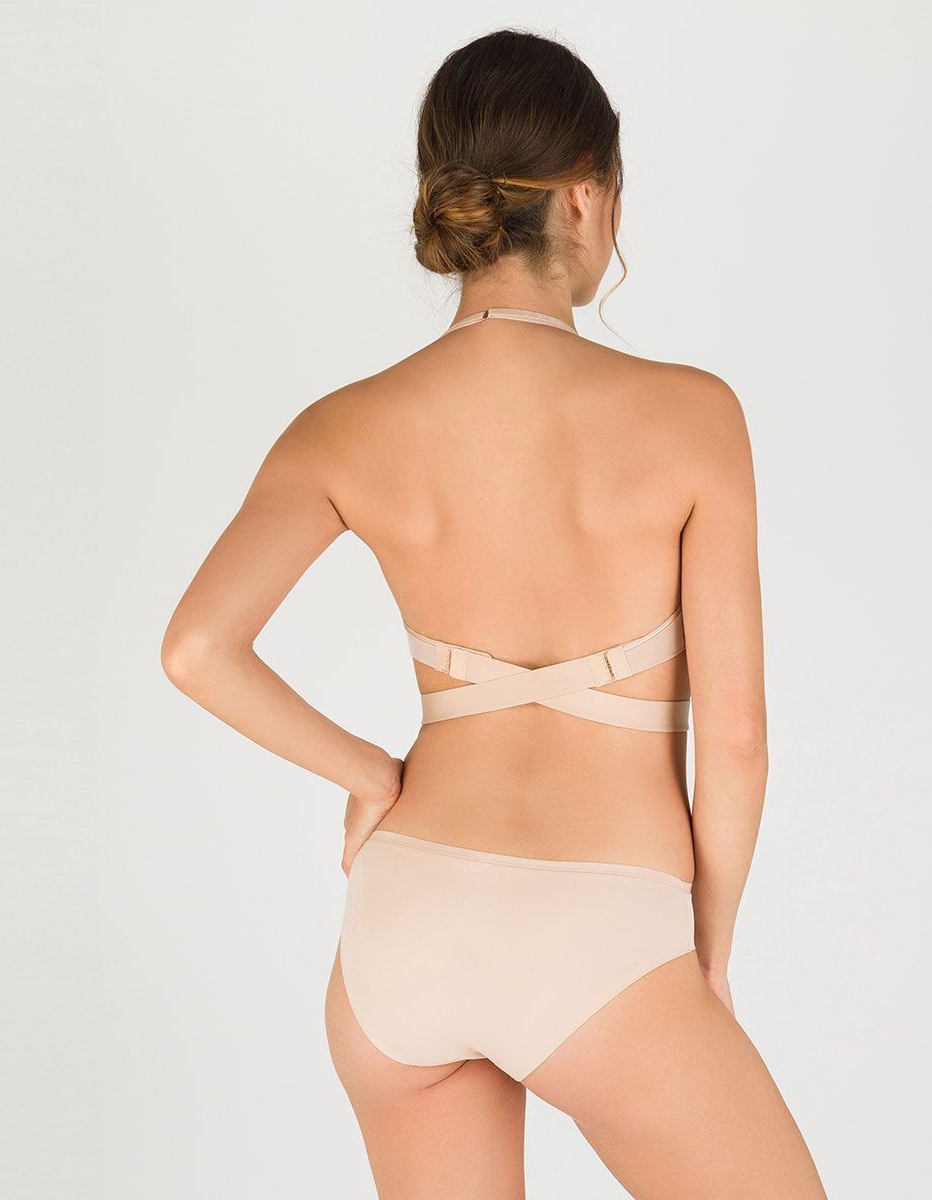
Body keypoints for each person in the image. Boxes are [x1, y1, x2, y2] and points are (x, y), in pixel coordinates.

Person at [162, 27, 827, 1200]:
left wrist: (372, 776)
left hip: (402, 927)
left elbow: (196, 649)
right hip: (603, 930)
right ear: (584, 197)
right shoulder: (692, 417)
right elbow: (737, 741)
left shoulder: (344, 426)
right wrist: (707, 959)